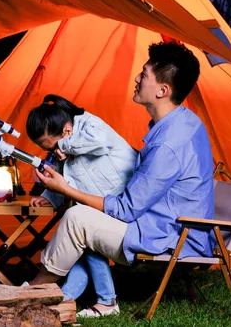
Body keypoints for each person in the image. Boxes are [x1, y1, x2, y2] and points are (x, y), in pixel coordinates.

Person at [26, 41, 215, 317]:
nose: (137, 78)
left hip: (172, 236)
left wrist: (65, 189)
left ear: (163, 90)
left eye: (144, 74)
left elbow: (126, 209)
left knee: (77, 219)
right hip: (171, 224)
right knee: (86, 219)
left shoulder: (168, 144)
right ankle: (61, 294)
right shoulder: (183, 122)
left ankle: (33, 291)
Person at [25, 94, 137, 317]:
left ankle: (44, 290)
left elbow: (98, 141)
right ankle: (65, 298)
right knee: (83, 237)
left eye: (55, 146)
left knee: (79, 224)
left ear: (67, 130)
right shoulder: (63, 150)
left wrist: (64, 145)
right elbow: (67, 180)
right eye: (48, 150)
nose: (55, 153)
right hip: (104, 214)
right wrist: (49, 195)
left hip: (131, 217)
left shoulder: (91, 126)